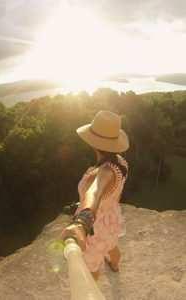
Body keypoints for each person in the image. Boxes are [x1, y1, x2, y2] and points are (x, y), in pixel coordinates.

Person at [61, 110, 129, 281]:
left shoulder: (103, 172)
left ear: (93, 143)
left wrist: (82, 222)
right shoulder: (120, 162)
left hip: (95, 227)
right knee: (112, 245)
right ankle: (115, 265)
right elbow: (109, 193)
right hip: (111, 218)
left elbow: (94, 192)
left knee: (91, 267)